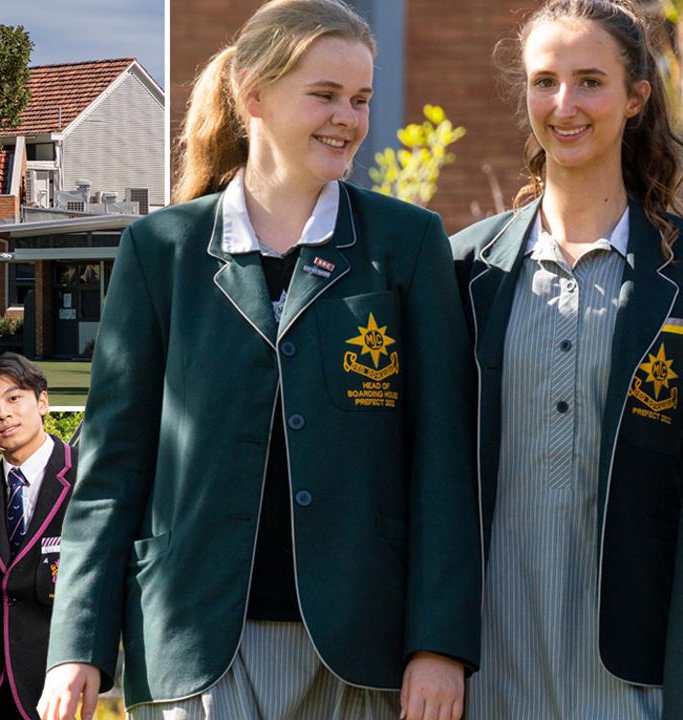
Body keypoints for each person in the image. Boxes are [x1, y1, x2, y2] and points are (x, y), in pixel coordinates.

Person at [36, 1, 481, 719]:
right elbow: (112, 465)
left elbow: (441, 459)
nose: (348, 117)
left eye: (360, 99)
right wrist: (76, 645)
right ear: (252, 95)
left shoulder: (405, 243)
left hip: (361, 648)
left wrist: (438, 644)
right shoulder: (161, 249)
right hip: (191, 644)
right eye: (325, 95)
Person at [450, 2, 683, 717]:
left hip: (633, 668)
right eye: (544, 81)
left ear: (635, 97)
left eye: (589, 81)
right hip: (484, 662)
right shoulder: (463, 269)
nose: (564, 104)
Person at [0, 353, 73, 720]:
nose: (3, 414)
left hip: (67, 677)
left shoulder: (87, 476)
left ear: (42, 401)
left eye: (14, 398)